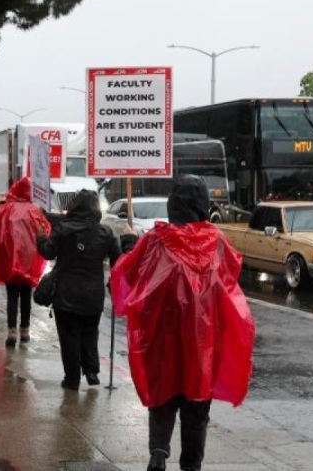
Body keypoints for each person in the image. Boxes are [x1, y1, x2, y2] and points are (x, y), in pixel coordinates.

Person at [110, 175, 255, 471]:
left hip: (162, 338)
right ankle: (191, 464)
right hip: (203, 342)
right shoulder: (217, 242)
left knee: (162, 399)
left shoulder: (155, 240)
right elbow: (229, 282)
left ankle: (158, 453)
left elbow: (128, 275)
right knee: (197, 405)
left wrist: (127, 244)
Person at [37, 189, 136, 390]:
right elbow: (118, 264)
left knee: (69, 336)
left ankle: (72, 378)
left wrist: (40, 238)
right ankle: (91, 371)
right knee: (90, 332)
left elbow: (48, 253)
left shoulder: (63, 229)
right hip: (93, 294)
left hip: (66, 293)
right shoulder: (105, 233)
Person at [0, 177, 50, 346]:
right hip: (29, 259)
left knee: (12, 295)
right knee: (26, 295)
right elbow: (45, 232)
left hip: (9, 259)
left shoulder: (5, 210)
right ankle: (25, 330)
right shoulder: (35, 211)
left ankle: (12, 331)